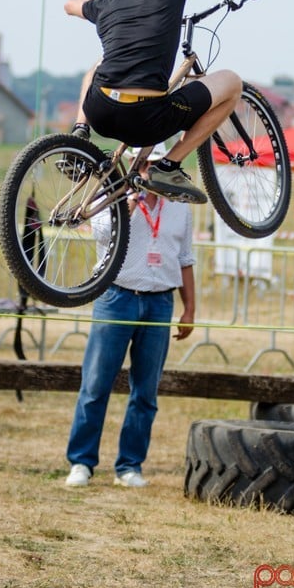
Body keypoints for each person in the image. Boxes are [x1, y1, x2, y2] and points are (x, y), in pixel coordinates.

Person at [64, 0, 269, 204]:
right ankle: (168, 166)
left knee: (99, 66)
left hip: (99, 111)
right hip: (146, 120)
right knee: (232, 83)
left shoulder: (106, 5)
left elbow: (69, 4)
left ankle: (80, 131)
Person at [65, 143, 196, 488]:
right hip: (117, 295)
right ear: (133, 164)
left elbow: (185, 257)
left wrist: (190, 308)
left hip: (159, 302)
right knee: (96, 383)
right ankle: (81, 462)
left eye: (156, 163)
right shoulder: (111, 195)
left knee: (145, 391)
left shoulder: (180, 204)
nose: (149, 169)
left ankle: (130, 465)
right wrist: (128, 206)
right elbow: (100, 234)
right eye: (144, 163)